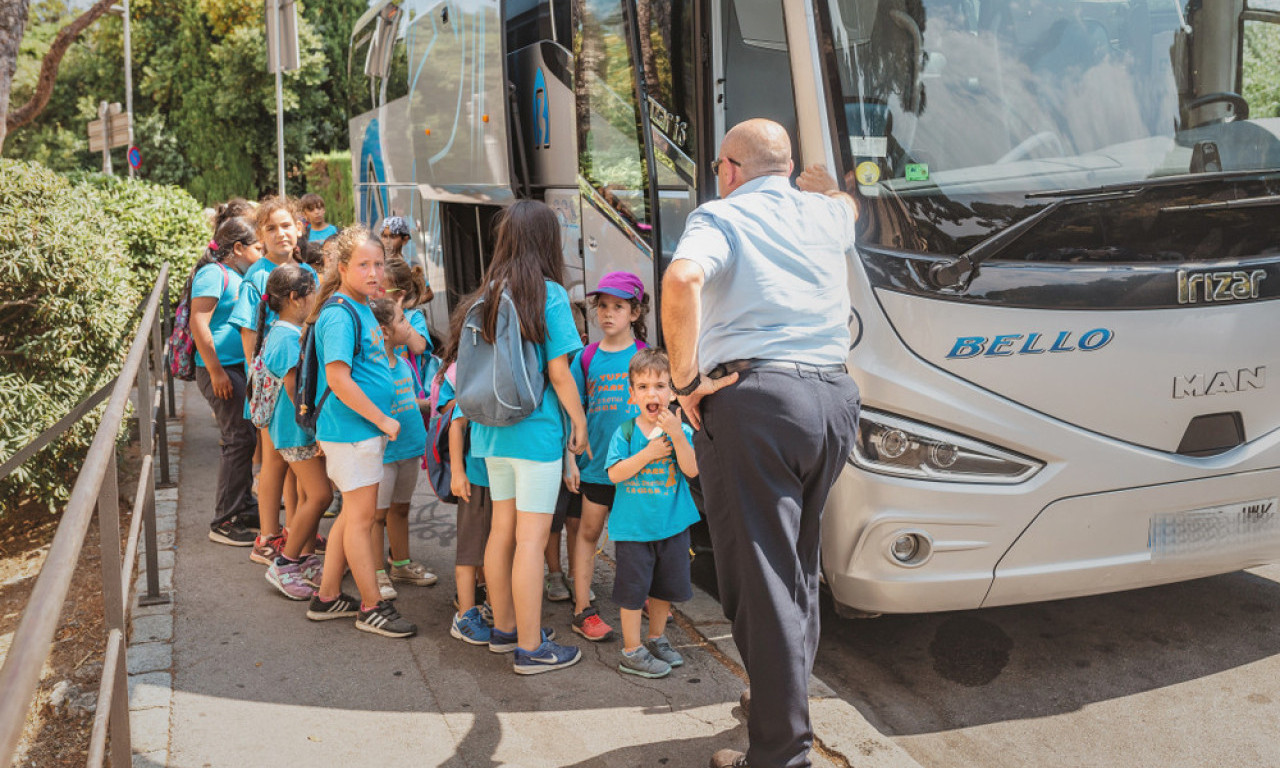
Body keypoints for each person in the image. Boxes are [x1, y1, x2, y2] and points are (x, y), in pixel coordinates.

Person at [661, 118, 860, 768]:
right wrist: (827, 187)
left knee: (760, 581)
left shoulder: (719, 217)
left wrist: (685, 381)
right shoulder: (826, 217)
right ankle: (775, 708)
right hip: (832, 402)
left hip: (758, 406)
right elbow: (848, 206)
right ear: (787, 167)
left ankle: (780, 754)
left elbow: (681, 280)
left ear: (728, 168)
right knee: (798, 569)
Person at [464, 200, 588, 674]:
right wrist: (577, 420)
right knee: (533, 542)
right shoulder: (548, 294)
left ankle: (506, 629)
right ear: (547, 241)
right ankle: (532, 648)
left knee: (502, 532)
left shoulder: (490, 290)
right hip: (535, 434)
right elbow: (559, 371)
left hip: (491, 432)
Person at [302, 227, 416, 639]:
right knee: (362, 521)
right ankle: (371, 605)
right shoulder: (339, 313)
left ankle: (328, 596)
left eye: (378, 264)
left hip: (358, 431)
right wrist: (383, 420)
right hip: (352, 432)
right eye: (364, 265)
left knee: (353, 515)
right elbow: (337, 378)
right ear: (344, 268)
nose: (374, 273)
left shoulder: (362, 305)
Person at [604, 349, 698, 679]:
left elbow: (691, 469)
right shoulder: (626, 432)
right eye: (642, 387)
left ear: (672, 393)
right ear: (632, 395)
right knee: (632, 593)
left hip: (671, 528)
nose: (651, 393)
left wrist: (674, 433)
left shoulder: (680, 431)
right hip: (633, 530)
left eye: (659, 385)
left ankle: (656, 639)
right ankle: (632, 650)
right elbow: (615, 474)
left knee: (663, 589)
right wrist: (649, 453)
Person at [567, 271, 650, 642]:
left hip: (638, 468)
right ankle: (582, 608)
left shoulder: (645, 357)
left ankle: (639, 595)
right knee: (588, 534)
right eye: (602, 306)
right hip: (597, 467)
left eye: (618, 306)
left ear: (635, 312)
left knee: (637, 537)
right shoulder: (586, 358)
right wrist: (570, 460)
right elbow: (572, 414)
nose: (607, 313)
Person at [229, 198, 311, 565]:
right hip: (272, 385)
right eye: (272, 228)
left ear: (299, 229)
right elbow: (249, 335)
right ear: (260, 236)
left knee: (296, 464)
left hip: (300, 377)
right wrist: (257, 381)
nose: (281, 233)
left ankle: (297, 531)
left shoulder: (305, 271)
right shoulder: (257, 276)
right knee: (275, 464)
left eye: (287, 226)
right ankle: (266, 537)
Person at [254, 264, 332, 600]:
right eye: (313, 291)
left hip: (292, 431)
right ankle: (284, 564)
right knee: (320, 496)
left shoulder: (282, 330)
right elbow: (293, 388)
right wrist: (315, 427)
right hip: (295, 432)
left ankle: (305, 558)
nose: (317, 297)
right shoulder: (287, 338)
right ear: (295, 299)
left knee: (312, 495)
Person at [189, 216, 263, 545]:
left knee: (245, 436)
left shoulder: (233, 274)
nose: (261, 254)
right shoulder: (213, 274)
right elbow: (199, 323)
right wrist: (217, 371)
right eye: (258, 248)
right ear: (238, 248)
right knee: (237, 439)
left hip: (234, 367)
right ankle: (223, 519)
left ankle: (243, 504)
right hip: (218, 369)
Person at [368, 297, 436, 601]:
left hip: (409, 448)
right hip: (384, 455)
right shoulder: (371, 367)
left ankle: (401, 563)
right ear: (383, 331)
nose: (408, 327)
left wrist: (437, 403)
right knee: (376, 516)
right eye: (402, 321)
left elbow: (411, 400)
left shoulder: (404, 362)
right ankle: (375, 572)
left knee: (401, 509)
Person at [436, 294, 494, 644]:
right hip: (475, 475)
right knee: (471, 548)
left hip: (496, 474)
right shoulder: (468, 373)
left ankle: (486, 603)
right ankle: (466, 614)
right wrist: (457, 472)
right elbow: (456, 424)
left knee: (492, 544)